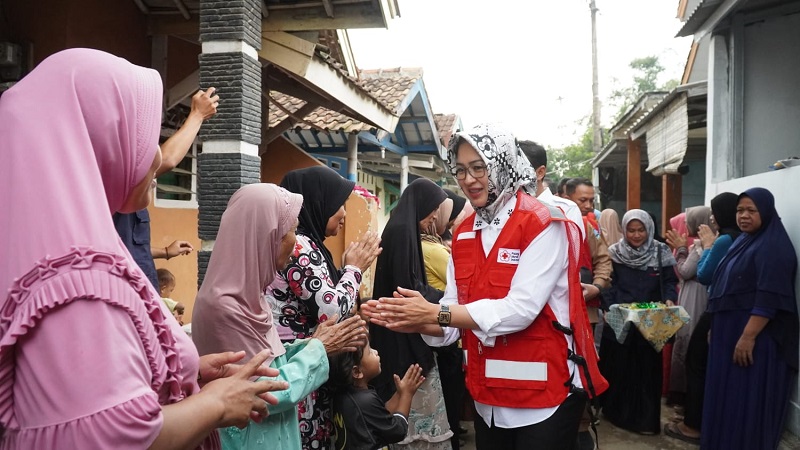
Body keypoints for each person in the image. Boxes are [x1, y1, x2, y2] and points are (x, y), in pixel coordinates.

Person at [0, 48, 288, 449]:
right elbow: (107, 433)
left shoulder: (61, 253)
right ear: (97, 142)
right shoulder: (77, 287)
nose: (156, 154)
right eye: (143, 136)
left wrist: (177, 373)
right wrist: (216, 405)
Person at [364, 124, 607, 450]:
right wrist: (414, 319)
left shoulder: (544, 222)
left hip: (544, 394)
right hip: (487, 394)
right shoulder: (464, 232)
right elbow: (451, 322)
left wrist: (438, 313)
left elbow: (519, 310)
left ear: (505, 163)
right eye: (461, 170)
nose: (468, 179)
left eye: (480, 167)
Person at [191, 183, 368, 450]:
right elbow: (263, 391)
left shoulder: (249, 295)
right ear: (265, 237)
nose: (296, 242)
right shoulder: (223, 306)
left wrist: (311, 344)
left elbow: (268, 361)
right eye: (291, 231)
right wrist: (319, 350)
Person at [265, 166, 382, 450]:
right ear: (316, 203)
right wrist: (355, 269)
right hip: (298, 365)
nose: (343, 213)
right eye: (337, 204)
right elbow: (330, 310)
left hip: (305, 361)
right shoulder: (299, 246)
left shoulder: (308, 244)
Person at [701, 188, 798, 450]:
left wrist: (747, 337)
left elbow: (769, 298)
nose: (743, 216)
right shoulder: (745, 240)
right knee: (727, 397)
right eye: (739, 210)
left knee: (745, 400)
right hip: (729, 333)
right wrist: (715, 325)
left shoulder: (774, 247)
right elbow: (725, 284)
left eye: (751, 210)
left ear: (765, 211)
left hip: (754, 339)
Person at [370, 178, 453, 450]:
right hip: (401, 333)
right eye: (433, 208)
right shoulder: (403, 230)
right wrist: (445, 301)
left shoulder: (402, 228)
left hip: (396, 328)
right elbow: (407, 287)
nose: (433, 216)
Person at [112, 86, 218, 290]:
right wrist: (196, 115)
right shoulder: (114, 173)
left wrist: (165, 252)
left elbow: (128, 245)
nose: (152, 182)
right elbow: (167, 160)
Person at [663, 192, 740, 444]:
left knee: (695, 361)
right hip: (725, 307)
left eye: (715, 213)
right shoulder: (740, 238)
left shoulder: (720, 241)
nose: (713, 219)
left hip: (709, 305)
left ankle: (692, 425)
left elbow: (703, 274)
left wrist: (701, 247)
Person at [600, 209, 678, 435]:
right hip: (621, 318)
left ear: (649, 229)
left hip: (650, 320)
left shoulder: (661, 251)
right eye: (631, 230)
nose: (636, 235)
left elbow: (670, 281)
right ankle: (616, 413)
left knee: (647, 369)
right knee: (620, 367)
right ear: (624, 230)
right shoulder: (615, 252)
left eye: (641, 230)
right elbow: (608, 283)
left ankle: (646, 422)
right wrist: (609, 306)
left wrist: (670, 298)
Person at [420, 189, 469, 449]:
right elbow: (464, 281)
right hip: (446, 330)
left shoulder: (435, 245)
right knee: (451, 394)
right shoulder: (435, 250)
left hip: (447, 326)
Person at [328, 341, 425, 450]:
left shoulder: (345, 396)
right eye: (369, 351)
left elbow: (380, 416)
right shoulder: (366, 400)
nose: (376, 352)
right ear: (356, 371)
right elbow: (398, 431)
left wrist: (400, 393)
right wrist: (407, 395)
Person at [664, 207, 712, 407]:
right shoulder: (704, 246)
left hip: (695, 296)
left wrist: (682, 249)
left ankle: (684, 398)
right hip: (693, 293)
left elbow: (684, 271)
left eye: (687, 223)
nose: (684, 227)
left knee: (688, 341)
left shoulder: (701, 246)